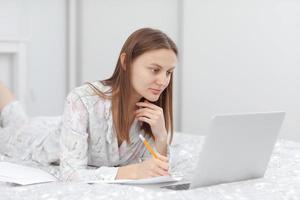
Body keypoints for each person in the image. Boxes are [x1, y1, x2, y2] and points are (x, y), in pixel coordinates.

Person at [0, 27, 178, 181]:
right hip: (34, 140)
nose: (163, 81)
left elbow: (154, 169)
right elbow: (70, 174)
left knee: (15, 115)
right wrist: (131, 172)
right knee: (15, 121)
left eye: (169, 72)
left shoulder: (151, 114)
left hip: (61, 126)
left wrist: (161, 136)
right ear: (125, 62)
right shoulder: (82, 100)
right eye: (155, 70)